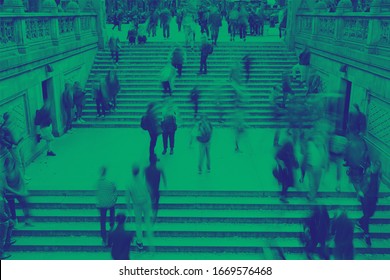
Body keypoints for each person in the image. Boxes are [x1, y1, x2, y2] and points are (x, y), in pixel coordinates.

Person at [127, 164, 153, 250]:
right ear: (139, 171)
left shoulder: (129, 183)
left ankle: (140, 242)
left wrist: (129, 209)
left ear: (131, 172)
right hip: (145, 203)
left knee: (138, 224)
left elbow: (127, 198)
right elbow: (149, 190)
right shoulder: (144, 180)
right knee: (147, 221)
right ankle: (150, 240)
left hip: (136, 205)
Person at [357, 160, 382, 246]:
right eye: (376, 166)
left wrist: (377, 197)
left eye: (379, 167)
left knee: (371, 213)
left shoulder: (379, 175)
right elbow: (361, 182)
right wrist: (360, 192)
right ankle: (366, 235)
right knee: (367, 215)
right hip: (365, 196)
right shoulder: (368, 172)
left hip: (373, 197)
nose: (377, 168)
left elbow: (377, 186)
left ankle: (360, 221)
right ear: (373, 165)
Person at [3, 157, 31, 226]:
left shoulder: (17, 171)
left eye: (10, 164)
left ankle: (27, 219)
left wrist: (23, 191)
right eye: (8, 165)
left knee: (24, 201)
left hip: (18, 190)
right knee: (11, 202)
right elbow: (6, 186)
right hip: (9, 192)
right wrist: (16, 192)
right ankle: (14, 220)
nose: (9, 166)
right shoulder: (3, 174)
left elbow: (22, 182)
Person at [273, 131, 298, 203]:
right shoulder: (288, 144)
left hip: (288, 167)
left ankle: (283, 195)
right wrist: (283, 165)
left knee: (287, 182)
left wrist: (295, 163)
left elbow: (292, 156)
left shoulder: (290, 145)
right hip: (286, 168)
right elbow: (278, 156)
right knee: (286, 181)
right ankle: (283, 196)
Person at [95, 166, 117, 246]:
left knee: (102, 222)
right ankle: (111, 239)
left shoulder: (97, 183)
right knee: (112, 221)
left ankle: (104, 240)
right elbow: (114, 191)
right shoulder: (110, 183)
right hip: (110, 204)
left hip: (101, 205)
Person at [145, 154, 167, 223]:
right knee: (156, 204)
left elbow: (142, 180)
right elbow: (164, 178)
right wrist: (165, 184)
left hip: (148, 190)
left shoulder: (145, 169)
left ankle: (150, 216)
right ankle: (154, 216)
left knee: (149, 202)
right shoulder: (159, 169)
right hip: (156, 190)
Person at [0, 194, 14, 260]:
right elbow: (1, 213)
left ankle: (7, 241)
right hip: (2, 221)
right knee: (2, 238)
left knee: (11, 223)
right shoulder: (0, 199)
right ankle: (1, 253)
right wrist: (7, 218)